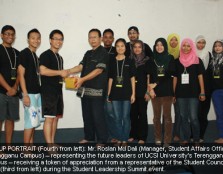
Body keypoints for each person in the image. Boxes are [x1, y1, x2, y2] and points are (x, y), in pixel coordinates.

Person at [69, 29, 109, 144]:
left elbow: (98, 70)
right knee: (87, 115)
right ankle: (89, 136)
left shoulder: (103, 53)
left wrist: (82, 79)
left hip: (97, 90)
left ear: (100, 38)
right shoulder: (88, 53)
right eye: (90, 37)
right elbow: (80, 66)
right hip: (84, 90)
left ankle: (102, 140)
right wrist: (68, 71)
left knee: (98, 116)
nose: (92, 39)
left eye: (95, 37)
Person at [173, 38, 205, 145]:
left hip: (193, 93)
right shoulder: (177, 61)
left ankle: (196, 139)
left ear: (191, 47)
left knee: (193, 117)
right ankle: (186, 138)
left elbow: (200, 77)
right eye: (184, 45)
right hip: (180, 93)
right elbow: (175, 78)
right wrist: (174, 93)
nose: (186, 48)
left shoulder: (197, 60)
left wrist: (202, 91)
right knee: (183, 117)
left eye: (188, 45)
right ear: (181, 46)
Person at [39, 30, 68, 145]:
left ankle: (52, 142)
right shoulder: (45, 55)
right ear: (50, 40)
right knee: (49, 118)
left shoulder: (60, 57)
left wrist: (69, 78)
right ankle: (49, 146)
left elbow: (59, 75)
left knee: (55, 118)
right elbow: (43, 71)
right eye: (55, 38)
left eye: (61, 39)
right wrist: (60, 72)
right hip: (48, 92)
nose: (58, 41)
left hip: (58, 91)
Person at [107, 38, 136, 146]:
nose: (120, 48)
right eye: (118, 46)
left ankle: (124, 139)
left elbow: (132, 78)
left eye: (122, 46)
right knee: (117, 117)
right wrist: (108, 94)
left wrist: (133, 93)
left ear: (125, 47)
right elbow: (110, 78)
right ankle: (119, 138)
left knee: (125, 117)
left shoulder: (130, 61)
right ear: (116, 47)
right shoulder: (112, 61)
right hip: (114, 94)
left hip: (127, 94)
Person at [18, 29, 42, 145]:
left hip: (37, 93)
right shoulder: (24, 53)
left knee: (34, 121)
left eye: (38, 38)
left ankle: (30, 145)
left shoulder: (36, 56)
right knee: (30, 121)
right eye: (33, 38)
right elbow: (21, 75)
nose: (36, 40)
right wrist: (25, 94)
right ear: (28, 40)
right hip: (29, 93)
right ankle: (26, 149)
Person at [128, 40, 154, 144]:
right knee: (132, 114)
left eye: (139, 47)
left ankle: (142, 137)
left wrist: (148, 92)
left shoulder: (148, 60)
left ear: (142, 48)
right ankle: (133, 134)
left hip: (143, 90)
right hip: (132, 91)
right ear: (132, 49)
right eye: (135, 47)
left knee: (142, 114)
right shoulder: (129, 60)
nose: (137, 49)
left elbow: (149, 76)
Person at [150, 38, 175, 146]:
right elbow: (149, 75)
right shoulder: (151, 59)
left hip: (166, 91)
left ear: (165, 46)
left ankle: (167, 140)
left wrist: (156, 83)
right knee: (156, 117)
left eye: (161, 45)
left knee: (167, 117)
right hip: (155, 92)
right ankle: (158, 138)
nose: (159, 47)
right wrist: (150, 89)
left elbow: (169, 73)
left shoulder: (170, 58)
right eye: (157, 45)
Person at [0, 25, 20, 144]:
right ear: (2, 35)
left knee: (10, 119)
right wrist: (8, 88)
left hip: (13, 92)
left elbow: (19, 72)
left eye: (12, 34)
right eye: (7, 34)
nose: (10, 36)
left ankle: (8, 145)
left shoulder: (17, 53)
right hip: (1, 91)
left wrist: (15, 87)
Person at [195, 35, 212, 143]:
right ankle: (193, 135)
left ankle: (201, 135)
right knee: (194, 114)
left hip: (207, 89)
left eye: (203, 42)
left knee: (203, 113)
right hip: (194, 89)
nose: (201, 45)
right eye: (199, 42)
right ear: (195, 43)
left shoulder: (209, 55)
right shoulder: (192, 55)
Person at [102, 29, 117, 143]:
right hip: (99, 85)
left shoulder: (117, 52)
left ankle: (113, 136)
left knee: (111, 112)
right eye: (105, 37)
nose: (107, 39)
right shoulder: (99, 51)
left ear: (113, 39)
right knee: (101, 112)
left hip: (111, 85)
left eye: (110, 37)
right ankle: (103, 136)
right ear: (102, 38)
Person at [167, 33, 181, 142]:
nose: (173, 42)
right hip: (165, 85)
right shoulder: (164, 54)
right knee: (165, 111)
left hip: (180, 85)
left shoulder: (182, 54)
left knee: (178, 111)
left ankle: (176, 133)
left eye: (176, 40)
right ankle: (166, 132)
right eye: (171, 40)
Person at [208, 39, 223, 144]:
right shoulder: (211, 61)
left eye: (220, 46)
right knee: (220, 114)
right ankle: (222, 137)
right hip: (216, 92)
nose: (217, 48)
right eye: (215, 46)